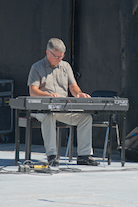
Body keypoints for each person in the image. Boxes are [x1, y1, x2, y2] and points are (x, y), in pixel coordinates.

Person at [27, 38, 100, 166]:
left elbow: (73, 87)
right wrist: (48, 95)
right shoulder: (37, 67)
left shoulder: (66, 66)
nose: (59, 59)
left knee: (85, 117)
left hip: (62, 108)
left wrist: (79, 94)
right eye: (56, 56)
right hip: (40, 109)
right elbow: (33, 91)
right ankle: (52, 156)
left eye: (62, 56)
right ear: (48, 53)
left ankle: (84, 155)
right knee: (48, 115)